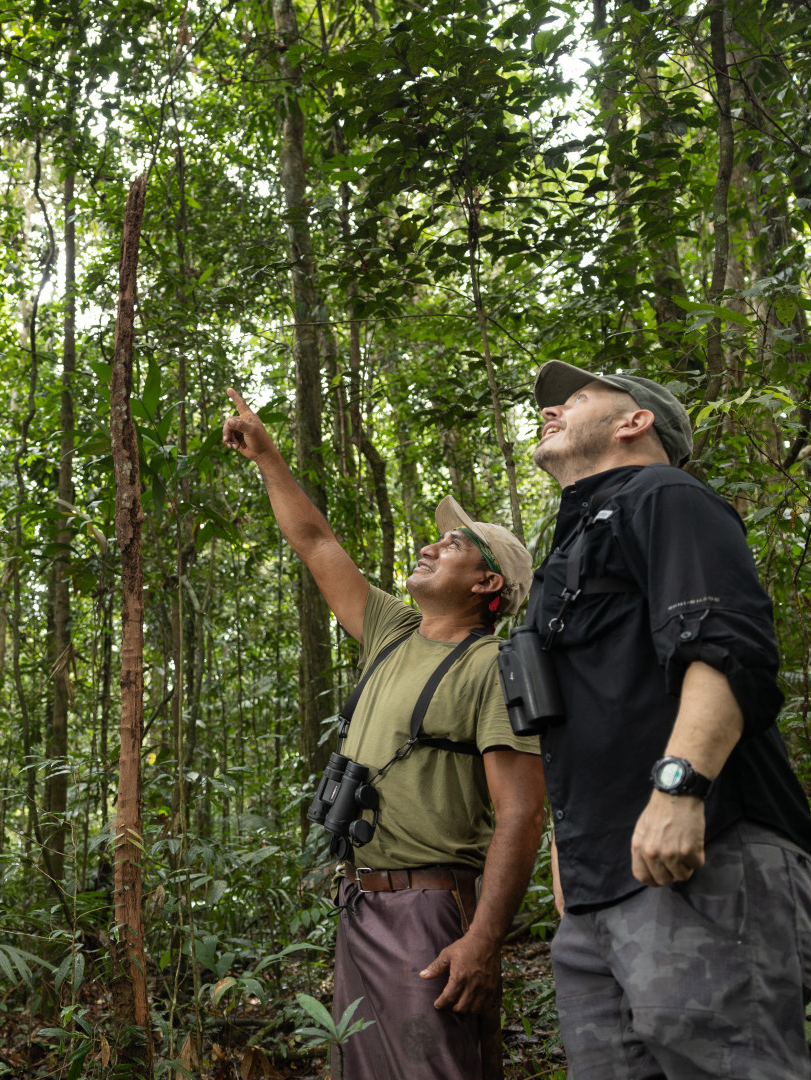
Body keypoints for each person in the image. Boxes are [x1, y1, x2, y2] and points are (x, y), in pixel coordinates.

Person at [222, 387, 546, 1080]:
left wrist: (483, 941)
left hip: (430, 907)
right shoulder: (391, 633)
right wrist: (268, 456)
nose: (431, 545)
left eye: (452, 544)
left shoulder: (493, 664)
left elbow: (520, 811)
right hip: (360, 898)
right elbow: (315, 543)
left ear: (486, 582)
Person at [525, 360, 811, 1080]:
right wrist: (567, 859)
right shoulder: (565, 551)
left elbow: (725, 648)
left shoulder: (663, 494)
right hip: (600, 889)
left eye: (578, 398)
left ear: (634, 422)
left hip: (702, 856)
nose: (549, 411)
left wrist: (678, 788)